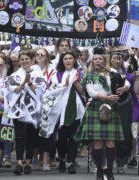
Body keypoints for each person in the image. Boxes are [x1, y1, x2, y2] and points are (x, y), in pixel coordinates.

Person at [77, 48, 125, 180]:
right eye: (95, 59)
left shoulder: (112, 73)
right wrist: (107, 98)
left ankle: (109, 171)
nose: (98, 61)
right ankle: (99, 171)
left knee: (111, 142)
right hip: (95, 108)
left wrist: (122, 89)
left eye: (100, 59)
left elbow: (126, 84)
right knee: (97, 143)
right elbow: (91, 92)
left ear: (105, 60)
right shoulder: (90, 75)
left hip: (111, 108)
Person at [42, 50, 85, 174]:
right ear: (62, 61)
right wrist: (64, 85)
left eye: (70, 58)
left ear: (74, 60)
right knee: (61, 139)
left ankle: (71, 162)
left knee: (73, 138)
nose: (68, 61)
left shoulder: (80, 73)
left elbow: (82, 92)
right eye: (65, 59)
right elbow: (49, 90)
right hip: (60, 111)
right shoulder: (56, 75)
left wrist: (75, 81)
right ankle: (61, 158)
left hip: (76, 110)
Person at [7, 51, 41, 175]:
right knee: (20, 136)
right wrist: (23, 82)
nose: (24, 61)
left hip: (33, 109)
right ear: (19, 61)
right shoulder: (15, 75)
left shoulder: (38, 73)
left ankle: (28, 162)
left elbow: (40, 91)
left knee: (31, 137)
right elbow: (14, 91)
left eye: (27, 59)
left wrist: (30, 82)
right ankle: (19, 162)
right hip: (18, 109)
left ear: (31, 60)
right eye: (22, 59)